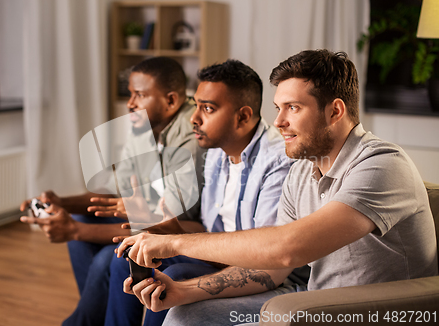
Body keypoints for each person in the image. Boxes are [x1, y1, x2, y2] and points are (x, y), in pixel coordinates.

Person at [116, 49, 438, 326]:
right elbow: (268, 269)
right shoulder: (301, 171)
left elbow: (286, 249)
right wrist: (182, 291)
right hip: (316, 305)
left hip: (379, 313)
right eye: (278, 108)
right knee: (186, 316)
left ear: (335, 111)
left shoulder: (381, 164)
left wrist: (174, 244)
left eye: (293, 108)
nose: (279, 121)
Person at [104, 59, 294, 326]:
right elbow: (208, 229)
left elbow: (267, 259)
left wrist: (177, 240)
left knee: (176, 276)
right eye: (196, 106)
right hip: (219, 257)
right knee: (128, 259)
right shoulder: (215, 153)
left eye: (208, 108)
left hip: (264, 273)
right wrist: (169, 228)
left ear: (242, 116)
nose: (194, 118)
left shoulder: (278, 163)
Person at [20, 56, 207, 326]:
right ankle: (95, 317)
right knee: (84, 219)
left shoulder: (191, 140)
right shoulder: (143, 125)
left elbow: (163, 219)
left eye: (140, 95)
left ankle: (81, 321)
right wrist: (62, 203)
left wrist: (74, 229)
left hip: (176, 226)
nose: (130, 103)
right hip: (145, 217)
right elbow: (116, 192)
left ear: (171, 101)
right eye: (130, 93)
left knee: (108, 258)